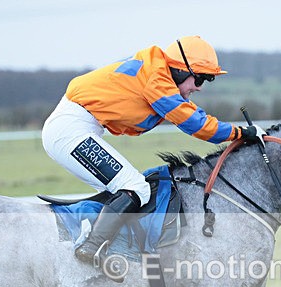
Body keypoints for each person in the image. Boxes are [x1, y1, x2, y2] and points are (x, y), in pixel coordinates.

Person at [42, 36, 263, 263]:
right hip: (69, 131)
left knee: (128, 193)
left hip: (78, 127)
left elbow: (193, 113)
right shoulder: (157, 82)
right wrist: (241, 133)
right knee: (135, 188)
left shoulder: (159, 75)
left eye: (206, 80)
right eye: (199, 78)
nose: (199, 87)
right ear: (179, 70)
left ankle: (113, 248)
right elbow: (196, 124)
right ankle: (91, 249)